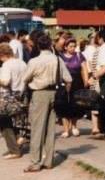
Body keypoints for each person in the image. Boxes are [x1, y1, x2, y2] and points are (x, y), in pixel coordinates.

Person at [21, 35, 72, 172]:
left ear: (37, 46)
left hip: (39, 94)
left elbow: (25, 78)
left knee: (37, 129)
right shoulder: (57, 59)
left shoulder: (34, 61)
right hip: (55, 94)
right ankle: (49, 161)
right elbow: (68, 78)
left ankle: (35, 162)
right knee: (50, 129)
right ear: (50, 45)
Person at [0, 43, 27, 159]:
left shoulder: (6, 65)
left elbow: (6, 82)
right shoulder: (22, 63)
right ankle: (19, 141)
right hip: (21, 95)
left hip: (7, 96)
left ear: (2, 55)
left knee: (4, 122)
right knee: (16, 121)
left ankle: (14, 150)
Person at [59, 38, 87, 138]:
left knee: (76, 105)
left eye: (74, 46)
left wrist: (86, 81)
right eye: (70, 46)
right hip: (64, 82)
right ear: (65, 47)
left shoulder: (79, 55)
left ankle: (74, 126)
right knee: (64, 105)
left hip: (77, 82)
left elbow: (84, 69)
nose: (73, 48)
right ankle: (66, 129)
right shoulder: (60, 57)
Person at [82, 32, 102, 136]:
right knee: (95, 102)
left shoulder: (99, 49)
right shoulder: (89, 50)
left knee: (97, 102)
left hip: (97, 77)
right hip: (94, 77)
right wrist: (89, 77)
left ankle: (97, 126)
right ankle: (95, 127)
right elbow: (87, 64)